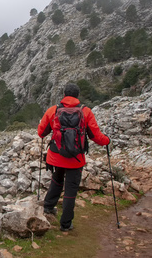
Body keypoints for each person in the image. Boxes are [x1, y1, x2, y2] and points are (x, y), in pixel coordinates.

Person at [37, 83, 110, 231]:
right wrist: (106, 141)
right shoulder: (85, 111)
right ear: (77, 96)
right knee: (70, 190)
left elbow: (41, 132)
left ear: (64, 95)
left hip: (56, 156)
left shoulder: (53, 110)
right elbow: (95, 135)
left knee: (56, 180)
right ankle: (65, 224)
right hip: (75, 159)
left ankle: (49, 207)